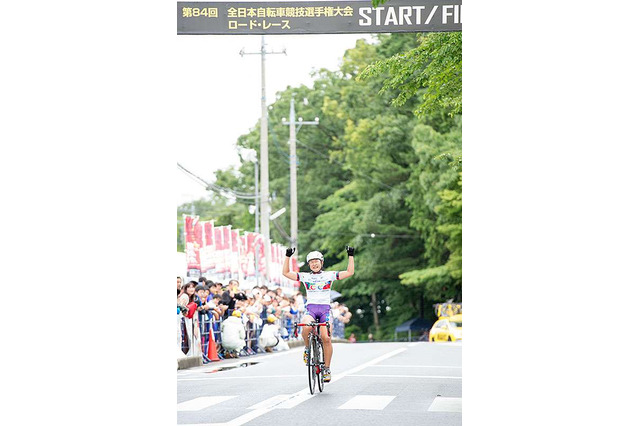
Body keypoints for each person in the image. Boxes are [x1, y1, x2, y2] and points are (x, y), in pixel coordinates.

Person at [282, 245, 355, 383]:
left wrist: (350, 256)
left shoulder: (329, 275)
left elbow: (349, 272)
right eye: (311, 262)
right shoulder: (305, 276)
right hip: (311, 309)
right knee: (306, 326)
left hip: (325, 310)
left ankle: (326, 369)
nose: (314, 264)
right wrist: (287, 256)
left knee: (326, 338)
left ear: (322, 263)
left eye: (317, 261)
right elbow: (286, 273)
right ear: (309, 264)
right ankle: (307, 348)